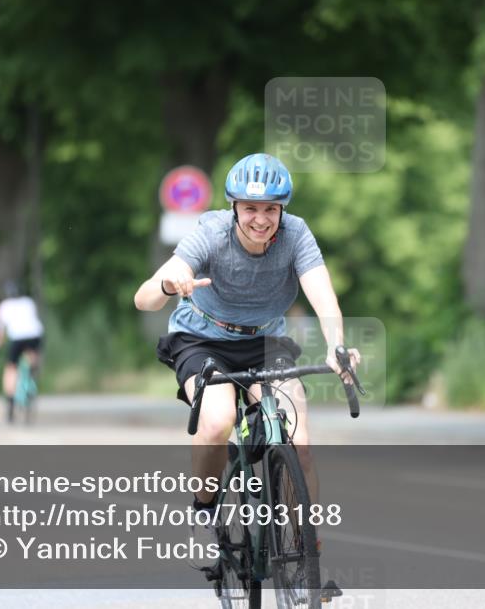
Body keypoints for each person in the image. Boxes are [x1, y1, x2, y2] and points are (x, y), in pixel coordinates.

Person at [134, 153, 361, 569]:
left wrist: (336, 345)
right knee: (218, 421)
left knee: (299, 441)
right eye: (251, 208)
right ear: (234, 207)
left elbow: (322, 294)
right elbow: (144, 298)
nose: (261, 219)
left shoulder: (296, 235)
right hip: (201, 339)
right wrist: (169, 283)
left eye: (270, 209)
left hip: (265, 340)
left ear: (282, 210)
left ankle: (304, 550)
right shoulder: (210, 233)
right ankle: (204, 512)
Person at [0, 281, 45, 422]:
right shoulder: (29, 302)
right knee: (32, 356)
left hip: (17, 338)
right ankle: (33, 373)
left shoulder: (3, 307)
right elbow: (33, 321)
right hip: (35, 335)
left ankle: (10, 405)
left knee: (11, 369)